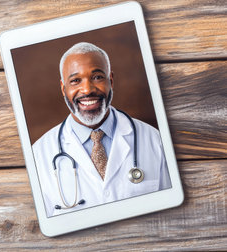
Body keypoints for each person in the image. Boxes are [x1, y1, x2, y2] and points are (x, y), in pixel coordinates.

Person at [32, 42, 171, 217]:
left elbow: (169, 211)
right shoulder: (38, 154)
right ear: (63, 88)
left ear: (111, 81)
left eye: (97, 77)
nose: (87, 90)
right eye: (75, 81)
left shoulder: (153, 139)